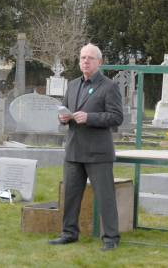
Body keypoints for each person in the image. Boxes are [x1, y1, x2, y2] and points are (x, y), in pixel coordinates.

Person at [48, 43, 123, 251]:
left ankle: (111, 238)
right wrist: (63, 118)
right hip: (74, 150)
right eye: (82, 58)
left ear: (99, 62)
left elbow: (117, 117)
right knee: (70, 196)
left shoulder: (109, 86)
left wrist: (90, 117)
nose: (86, 61)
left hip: (98, 152)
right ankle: (69, 233)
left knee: (105, 196)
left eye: (90, 58)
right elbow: (65, 111)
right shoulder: (72, 85)